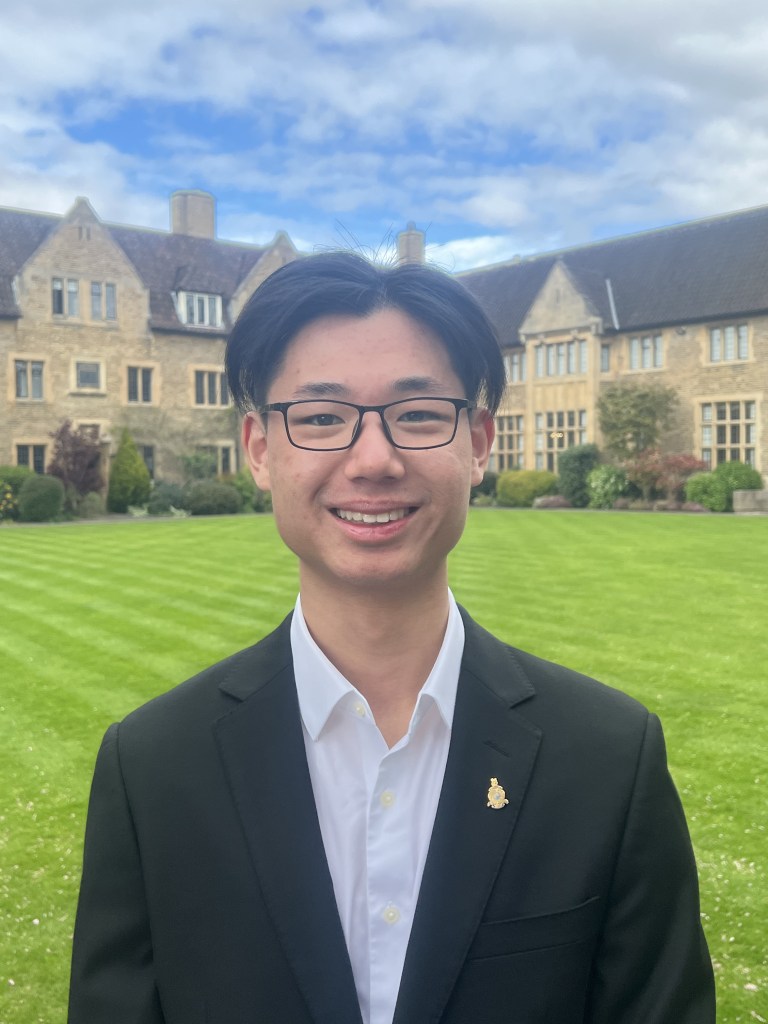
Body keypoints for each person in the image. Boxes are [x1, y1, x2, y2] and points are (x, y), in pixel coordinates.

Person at [69, 252, 715, 1024]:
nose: (374, 459)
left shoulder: (609, 758)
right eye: (321, 418)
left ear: (479, 443)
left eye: (417, 414)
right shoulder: (152, 769)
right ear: (260, 451)